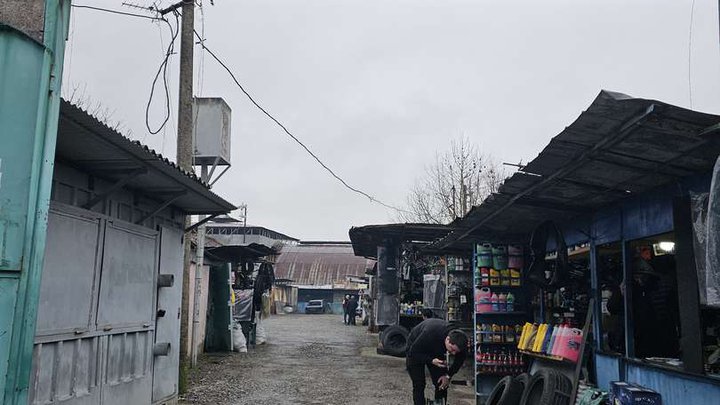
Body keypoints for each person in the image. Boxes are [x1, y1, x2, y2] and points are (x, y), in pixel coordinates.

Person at [405, 318, 468, 405]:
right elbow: (413, 352)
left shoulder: (461, 343)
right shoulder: (430, 333)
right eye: (452, 350)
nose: (453, 353)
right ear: (447, 339)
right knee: (419, 384)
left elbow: (459, 361)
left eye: (456, 352)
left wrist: (448, 376)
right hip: (415, 349)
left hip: (435, 351)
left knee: (441, 383)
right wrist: (431, 361)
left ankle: (439, 403)